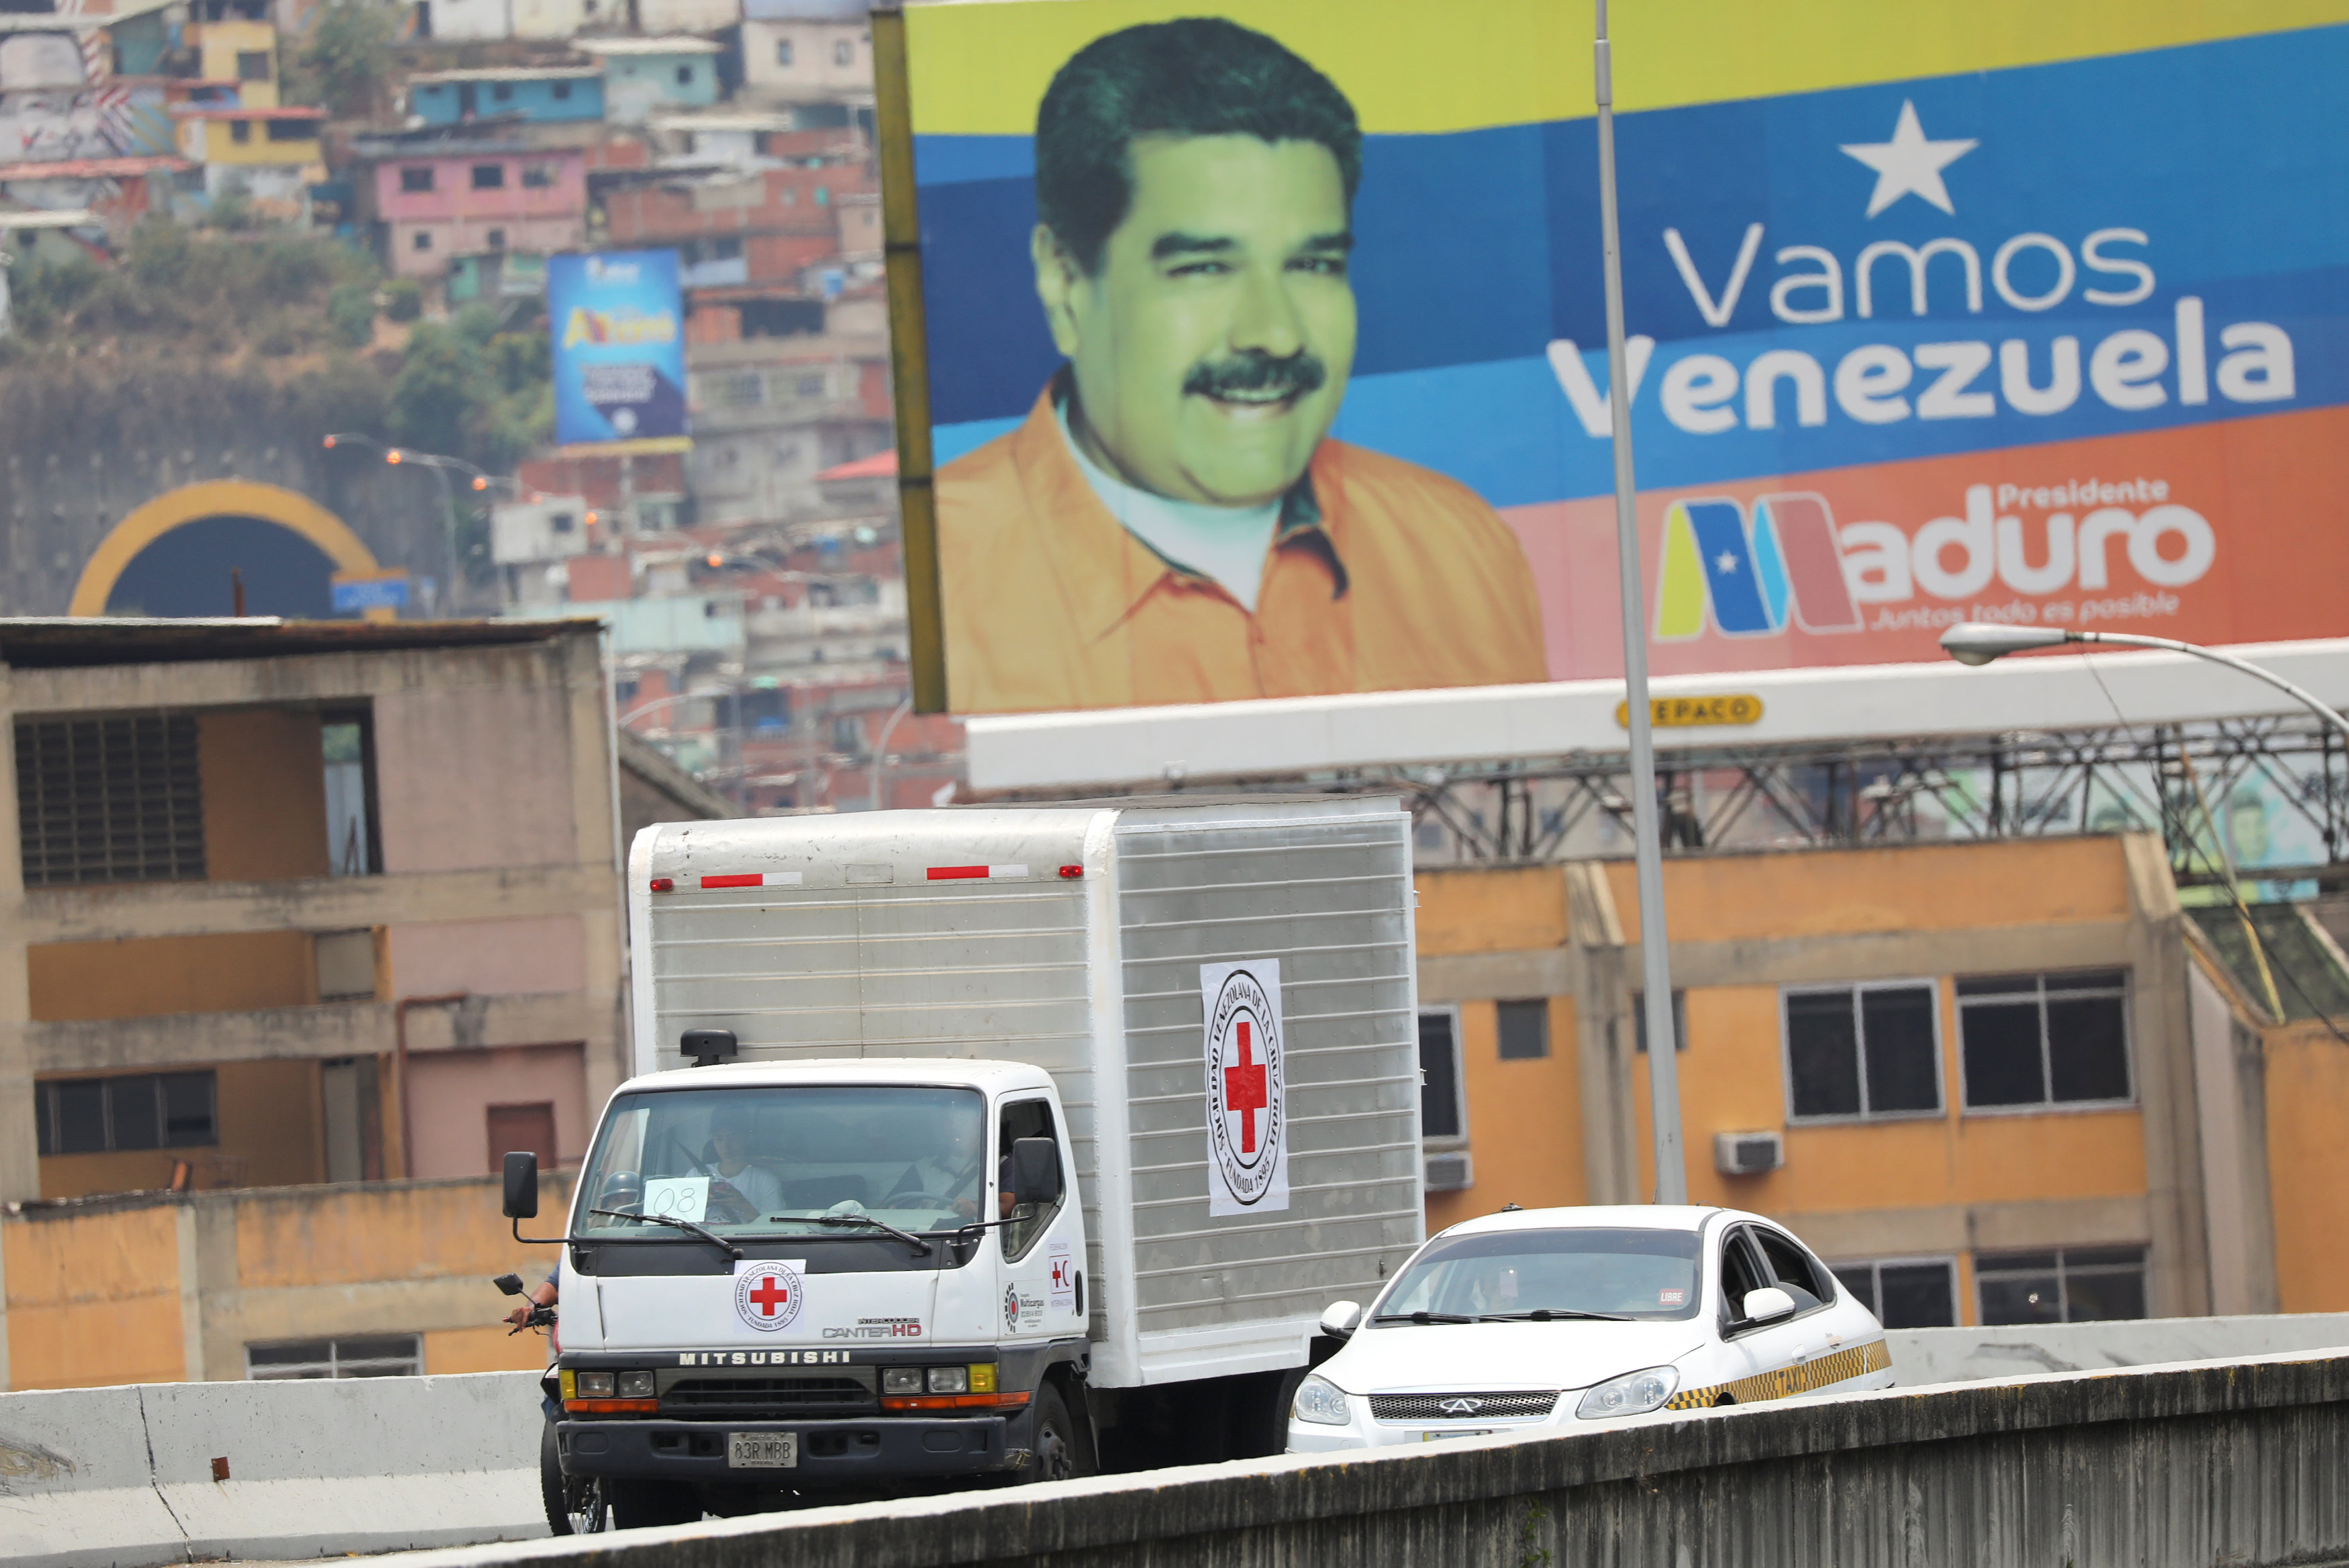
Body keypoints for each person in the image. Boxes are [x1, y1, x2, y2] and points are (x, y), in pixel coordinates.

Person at [936, 17, 1549, 713]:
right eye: (1204, 268)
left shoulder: (1459, 552)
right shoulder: (932, 589)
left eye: (1312, 264)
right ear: (1065, 281)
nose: (1276, 333)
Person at [888, 1111, 987, 1218]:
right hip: (929, 1232)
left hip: (974, 1232)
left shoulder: (997, 1165)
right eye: (950, 1123)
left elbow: (1006, 1206)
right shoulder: (924, 1166)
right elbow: (892, 1204)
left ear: (982, 1129)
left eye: (963, 1123)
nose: (956, 1129)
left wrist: (974, 1207)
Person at [704, 1104, 785, 1223]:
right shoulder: (696, 1176)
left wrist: (742, 1204)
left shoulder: (765, 1180)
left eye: (733, 1137)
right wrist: (701, 1204)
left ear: (746, 1137)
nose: (726, 1146)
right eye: (719, 1139)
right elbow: (676, 1221)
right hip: (700, 1241)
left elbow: (774, 1228)